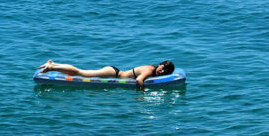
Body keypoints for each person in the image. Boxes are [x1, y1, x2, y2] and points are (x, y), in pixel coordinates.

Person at [38, 59, 175, 89]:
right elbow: (140, 80)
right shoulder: (149, 70)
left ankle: (53, 63)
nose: (162, 72)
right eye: (162, 68)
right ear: (160, 64)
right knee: (81, 73)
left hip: (115, 72)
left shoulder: (153, 69)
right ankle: (51, 67)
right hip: (113, 74)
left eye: (165, 72)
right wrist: (142, 93)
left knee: (83, 72)